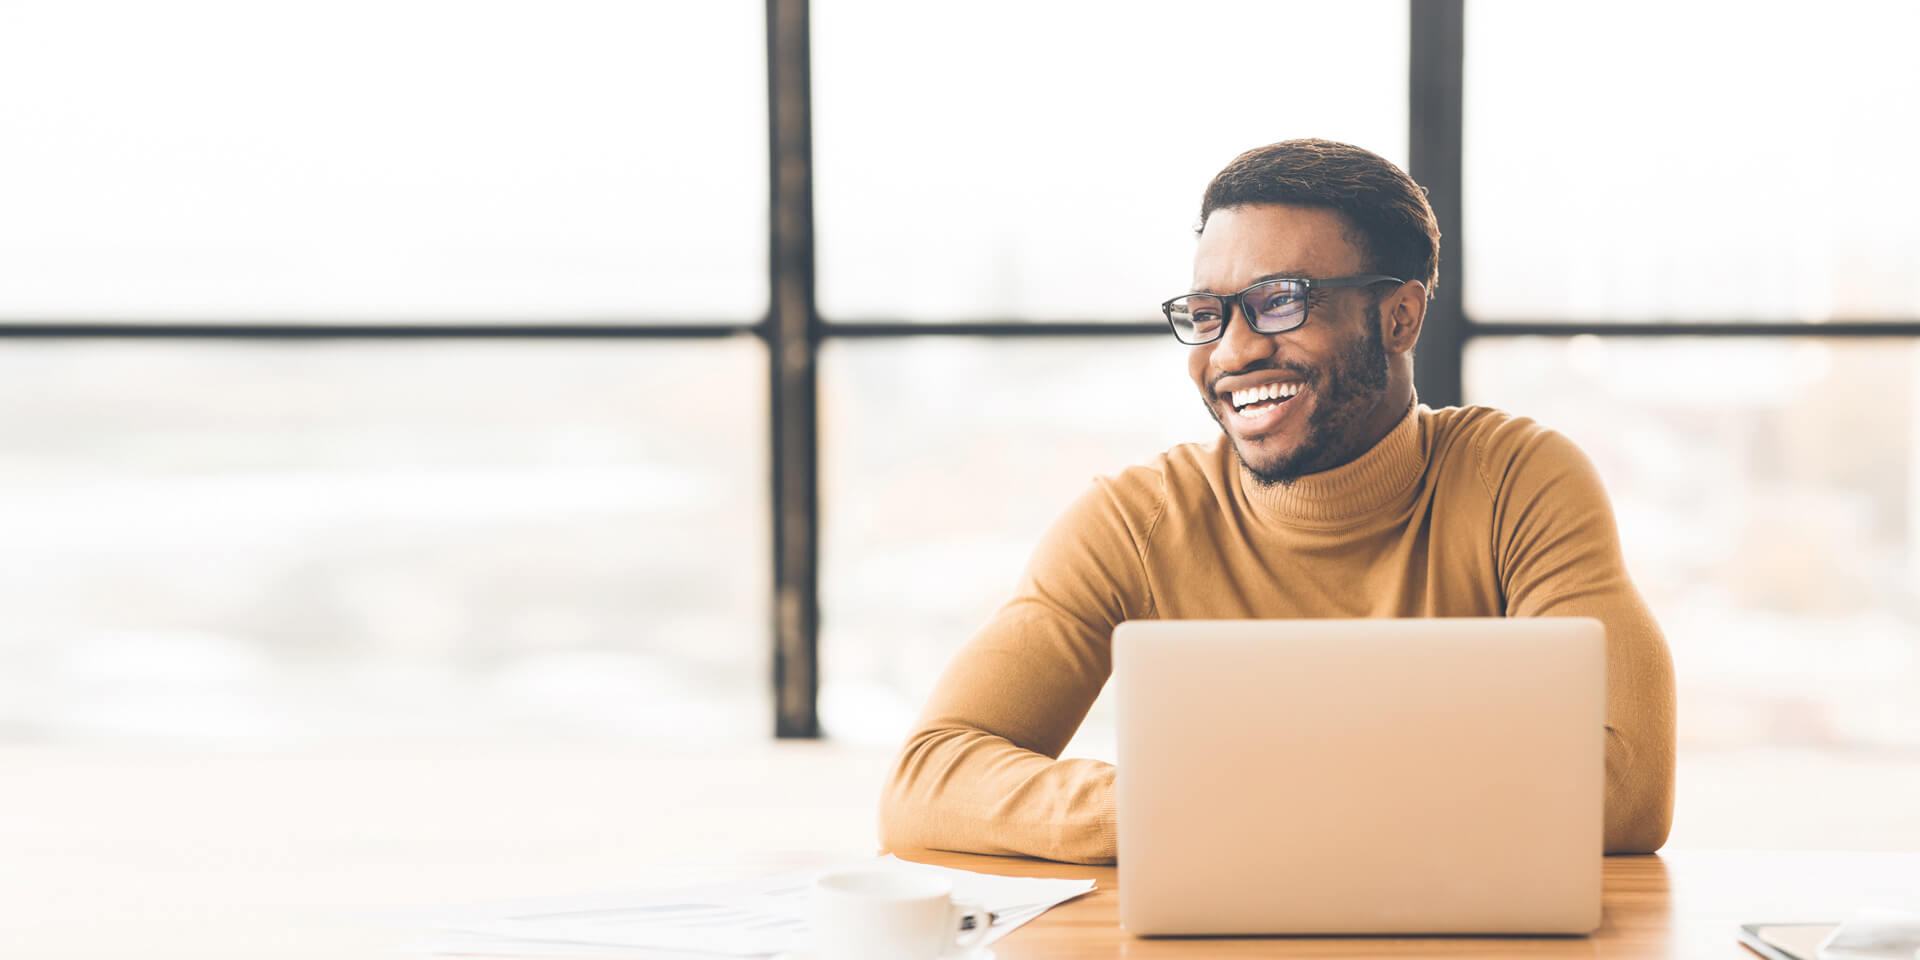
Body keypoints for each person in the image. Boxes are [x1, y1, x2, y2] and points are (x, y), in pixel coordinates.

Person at [876, 138, 1677, 865]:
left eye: (1281, 301)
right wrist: (1174, 809)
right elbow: (928, 780)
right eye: (1208, 313)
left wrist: (1245, 807)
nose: (1231, 351)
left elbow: (1629, 786)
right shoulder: (1135, 519)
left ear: (1399, 315)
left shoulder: (1518, 481)